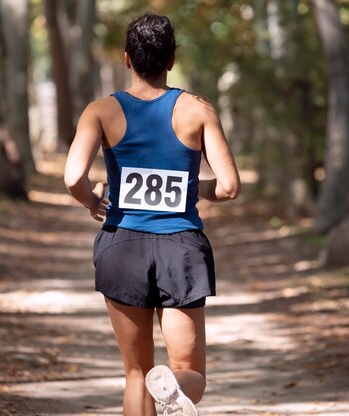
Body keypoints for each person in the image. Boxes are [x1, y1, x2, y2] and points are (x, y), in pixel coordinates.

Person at [64, 13, 240, 416]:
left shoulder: (101, 111)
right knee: (187, 371)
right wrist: (194, 188)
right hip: (180, 248)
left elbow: (73, 176)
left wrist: (92, 200)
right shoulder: (197, 110)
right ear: (171, 59)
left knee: (135, 372)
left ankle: (159, 388)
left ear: (127, 59)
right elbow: (229, 186)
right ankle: (173, 388)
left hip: (122, 244)